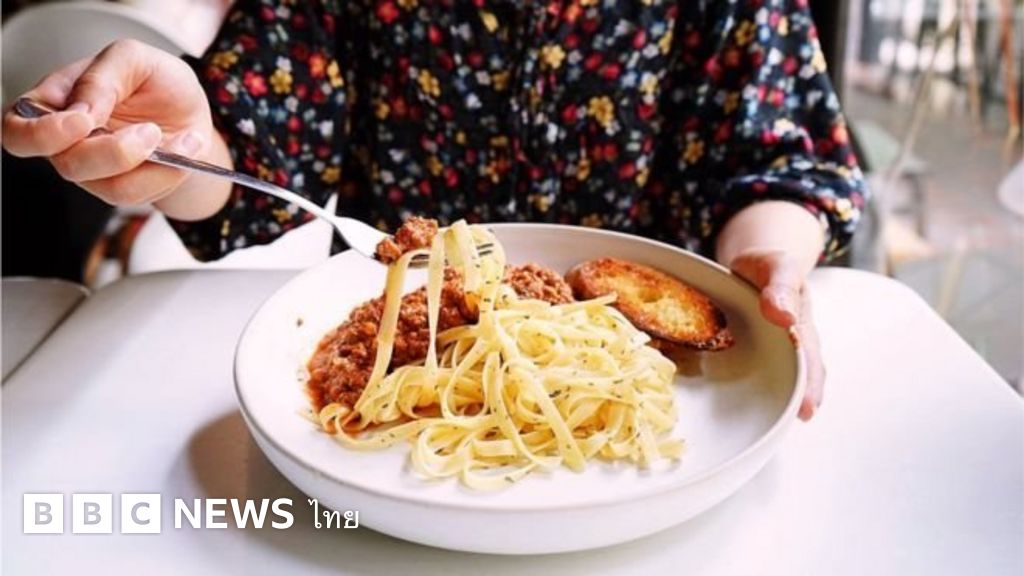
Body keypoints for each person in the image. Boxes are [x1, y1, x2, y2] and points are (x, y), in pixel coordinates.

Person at [3, 0, 868, 420]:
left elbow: (776, 161)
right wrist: (180, 151)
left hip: (655, 384)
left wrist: (774, 257)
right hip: (390, 364)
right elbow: (248, 157)